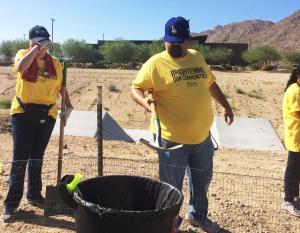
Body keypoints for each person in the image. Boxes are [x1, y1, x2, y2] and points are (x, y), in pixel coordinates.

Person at [131, 16, 234, 233]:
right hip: (171, 141)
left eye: (179, 41)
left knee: (201, 183)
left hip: (202, 138)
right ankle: (170, 224)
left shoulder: (197, 57)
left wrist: (225, 105)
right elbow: (136, 88)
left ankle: (197, 216)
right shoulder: (155, 64)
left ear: (188, 40)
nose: (174, 46)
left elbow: (210, 83)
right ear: (164, 40)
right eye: (170, 41)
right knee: (171, 188)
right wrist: (145, 102)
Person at [2, 25, 73, 223]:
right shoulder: (23, 54)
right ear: (31, 41)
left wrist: (68, 105)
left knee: (37, 157)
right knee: (20, 158)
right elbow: (20, 68)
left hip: (47, 113)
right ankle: (11, 204)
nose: (44, 47)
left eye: (45, 43)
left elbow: (62, 87)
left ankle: (34, 194)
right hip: (23, 113)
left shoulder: (56, 63)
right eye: (38, 42)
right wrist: (35, 50)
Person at [282, 65, 300, 217]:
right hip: (296, 137)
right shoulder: (295, 91)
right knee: (293, 170)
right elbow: (297, 112)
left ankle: (295, 197)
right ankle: (289, 200)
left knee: (297, 170)